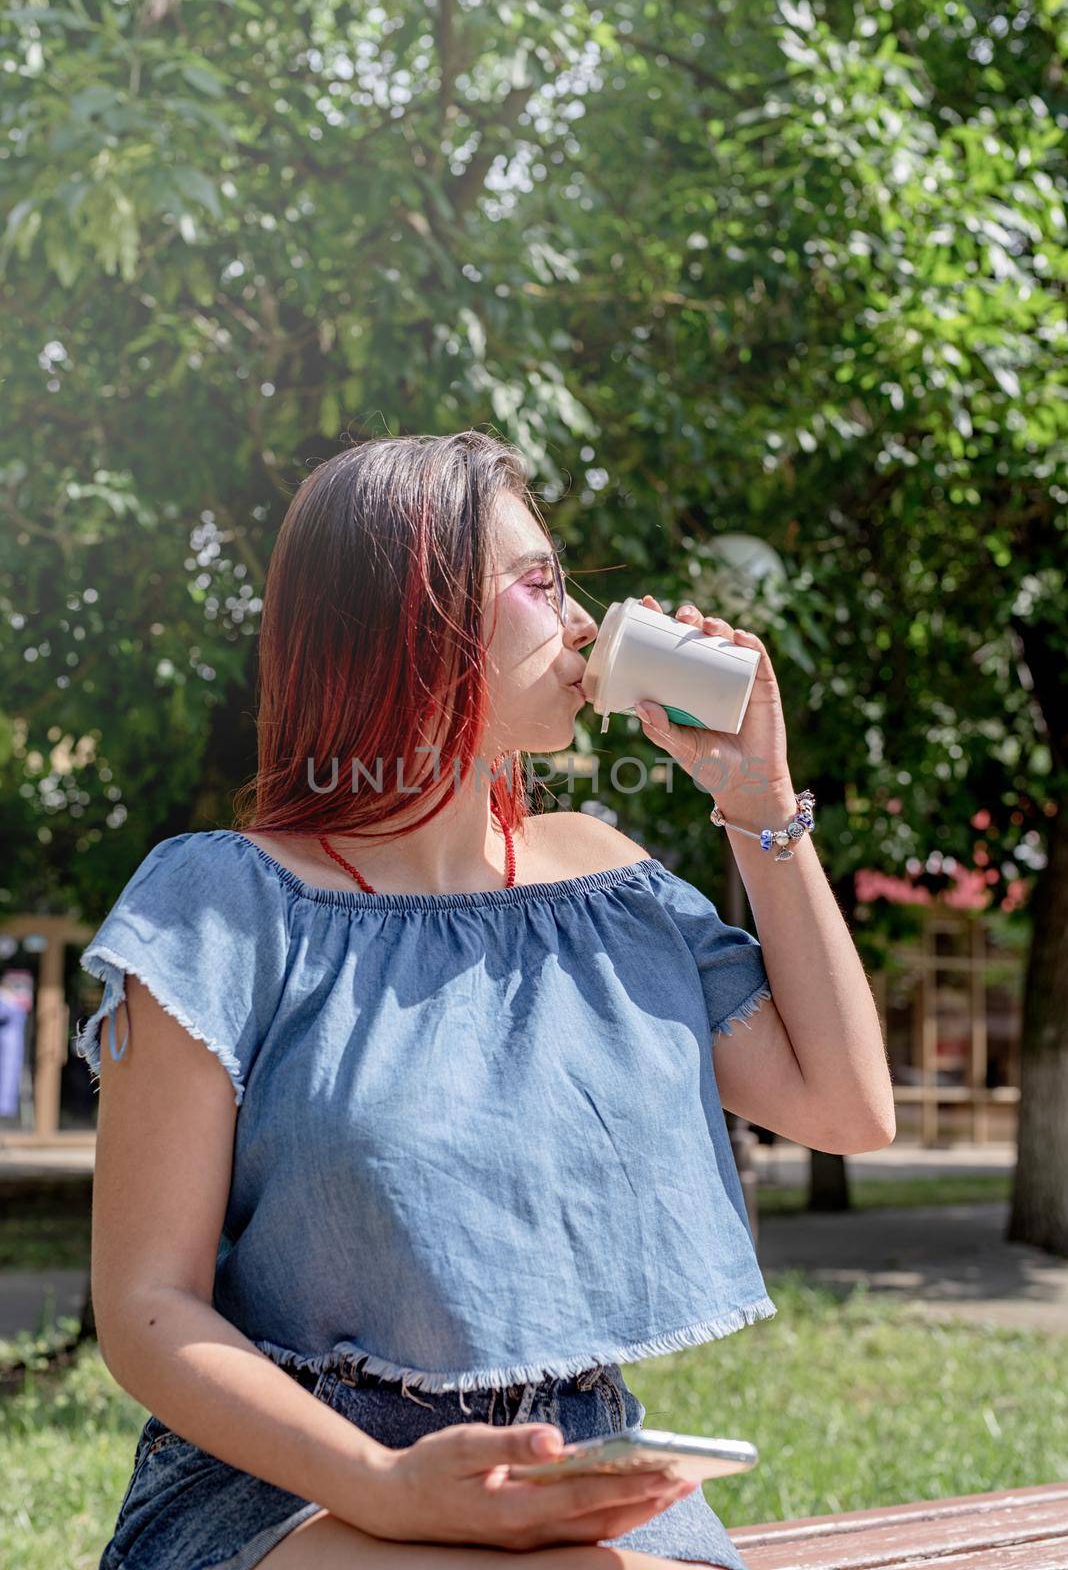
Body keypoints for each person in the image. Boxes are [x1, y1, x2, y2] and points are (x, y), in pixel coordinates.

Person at [75, 429, 895, 1570]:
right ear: (415, 614)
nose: (584, 627)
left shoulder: (607, 882)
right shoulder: (220, 904)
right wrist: (388, 1485)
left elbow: (849, 1107)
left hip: (576, 1468)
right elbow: (147, 1308)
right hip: (287, 1486)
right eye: (543, 583)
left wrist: (757, 802)